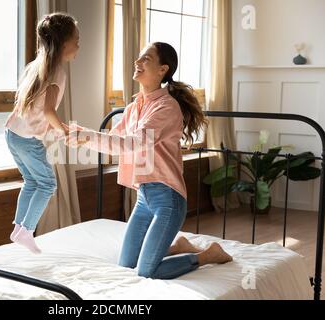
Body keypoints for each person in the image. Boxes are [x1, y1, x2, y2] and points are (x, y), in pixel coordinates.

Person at [68, 42, 232, 279]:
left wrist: (86, 136)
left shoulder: (166, 107)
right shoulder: (135, 107)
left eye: (145, 58)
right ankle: (179, 247)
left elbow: (133, 143)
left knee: (147, 272)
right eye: (138, 58)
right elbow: (115, 139)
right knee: (126, 264)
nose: (137, 62)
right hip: (144, 196)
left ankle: (207, 255)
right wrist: (81, 135)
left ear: (162, 69)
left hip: (168, 199)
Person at [4, 13, 79, 254]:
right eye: (76, 40)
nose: (79, 44)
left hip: (12, 134)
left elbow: (32, 109)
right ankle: (26, 231)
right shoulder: (57, 72)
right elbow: (48, 111)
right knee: (47, 184)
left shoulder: (35, 67)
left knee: (31, 182)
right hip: (26, 140)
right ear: (62, 43)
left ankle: (18, 228)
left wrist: (57, 130)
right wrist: (64, 131)